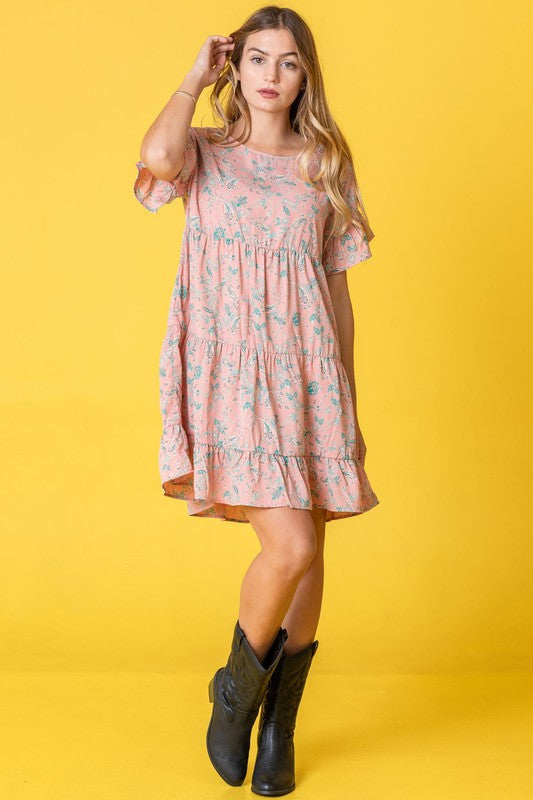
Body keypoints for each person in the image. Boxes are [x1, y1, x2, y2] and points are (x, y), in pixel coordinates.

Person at [133, 5, 379, 795]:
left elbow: (335, 291)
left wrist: (347, 399)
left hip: (310, 377)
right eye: (257, 60)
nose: (271, 76)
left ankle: (280, 725)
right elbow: (153, 156)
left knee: (312, 555)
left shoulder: (325, 164)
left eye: (288, 62)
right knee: (291, 547)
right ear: (234, 72)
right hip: (232, 374)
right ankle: (233, 698)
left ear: (306, 75)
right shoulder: (203, 154)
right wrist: (188, 78)